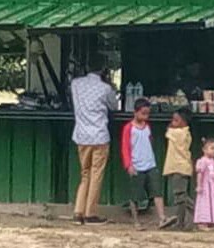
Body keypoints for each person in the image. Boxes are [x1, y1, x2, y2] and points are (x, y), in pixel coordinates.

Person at [70, 53, 117, 225]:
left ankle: (78, 211)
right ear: (104, 69)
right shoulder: (105, 89)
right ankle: (90, 213)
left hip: (82, 135)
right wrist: (110, 84)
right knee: (96, 174)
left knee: (85, 174)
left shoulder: (76, 84)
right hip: (99, 136)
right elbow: (114, 106)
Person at [121, 98, 177, 230]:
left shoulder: (147, 127)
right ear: (135, 112)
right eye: (143, 113)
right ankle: (136, 222)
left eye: (147, 114)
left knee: (157, 192)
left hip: (150, 164)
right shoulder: (129, 128)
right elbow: (125, 148)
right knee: (135, 195)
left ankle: (162, 218)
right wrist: (128, 165)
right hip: (136, 165)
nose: (145, 116)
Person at [163, 108, 194, 230]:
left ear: (184, 122)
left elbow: (168, 131)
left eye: (176, 120)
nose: (172, 122)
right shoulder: (186, 133)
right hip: (182, 167)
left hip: (178, 167)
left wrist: (171, 126)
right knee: (180, 197)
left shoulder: (178, 133)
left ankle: (198, 212)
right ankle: (180, 223)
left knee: (181, 196)